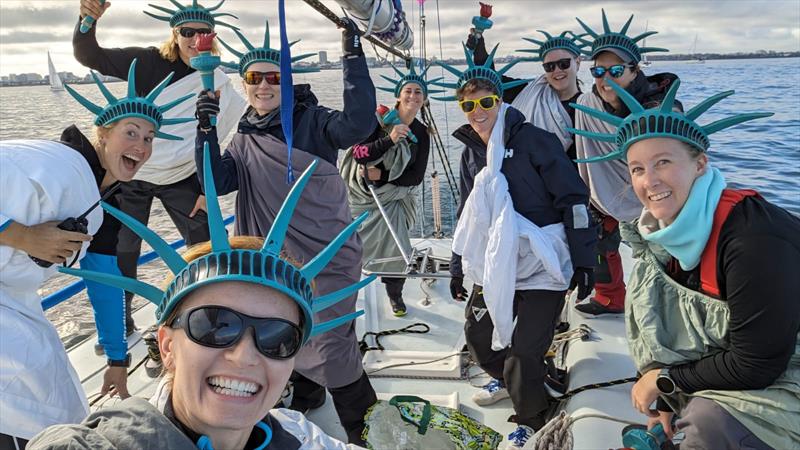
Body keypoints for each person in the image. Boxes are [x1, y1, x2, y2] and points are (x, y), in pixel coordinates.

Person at [26, 148, 372, 450]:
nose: (244, 356)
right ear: (167, 346)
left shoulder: (297, 434)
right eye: (215, 325)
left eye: (278, 338)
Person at [571, 77, 799, 449]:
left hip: (783, 367)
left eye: (663, 162)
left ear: (699, 163)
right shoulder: (659, 233)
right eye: (638, 169)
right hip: (749, 362)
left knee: (708, 422)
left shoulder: (753, 239)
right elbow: (656, 321)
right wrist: (669, 397)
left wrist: (665, 380)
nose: (650, 181)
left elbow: (758, 363)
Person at [194, 18, 379, 445]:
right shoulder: (244, 132)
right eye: (254, 78)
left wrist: (352, 53)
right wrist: (204, 128)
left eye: (273, 78)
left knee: (333, 351)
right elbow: (215, 182)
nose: (263, 86)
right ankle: (307, 395)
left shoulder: (312, 120)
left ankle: (367, 431)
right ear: (243, 84)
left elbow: (360, 125)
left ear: (289, 81)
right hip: (274, 260)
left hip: (326, 260)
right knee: (280, 328)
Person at [0, 61, 193, 449]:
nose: (141, 145)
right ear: (101, 135)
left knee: (54, 395)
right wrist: (20, 235)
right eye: (131, 132)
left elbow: (105, 283)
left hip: (12, 302)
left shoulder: (99, 204)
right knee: (38, 399)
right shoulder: (60, 166)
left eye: (150, 138)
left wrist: (118, 362)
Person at [432, 47, 597, 448]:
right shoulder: (472, 150)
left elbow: (574, 200)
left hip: (542, 260)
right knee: (477, 335)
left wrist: (585, 261)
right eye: (468, 104)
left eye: (486, 101)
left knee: (524, 352)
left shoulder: (536, 141)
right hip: (495, 260)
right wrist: (457, 264)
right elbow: (469, 213)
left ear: (501, 101)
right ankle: (517, 379)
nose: (477, 110)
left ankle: (531, 415)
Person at [74, 0, 246, 335]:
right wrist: (86, 20)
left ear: (213, 36)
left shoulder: (217, 79)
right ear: (175, 34)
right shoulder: (148, 61)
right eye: (187, 32)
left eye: (203, 32)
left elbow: (225, 135)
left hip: (184, 174)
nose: (195, 39)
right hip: (132, 171)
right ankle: (120, 323)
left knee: (207, 244)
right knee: (120, 250)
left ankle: (212, 316)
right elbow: (89, 55)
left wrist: (207, 188)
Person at [570, 10, 673, 316]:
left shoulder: (659, 103)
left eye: (615, 71)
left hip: (658, 200)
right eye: (598, 72)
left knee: (665, 262)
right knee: (608, 245)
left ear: (634, 70)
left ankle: (667, 314)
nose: (606, 79)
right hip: (609, 197)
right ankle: (611, 298)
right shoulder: (589, 103)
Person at [340, 64, 438, 316]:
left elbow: (416, 176)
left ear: (424, 99)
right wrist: (390, 139)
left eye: (419, 92)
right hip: (362, 195)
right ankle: (343, 297)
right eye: (408, 91)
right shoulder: (377, 120)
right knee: (348, 248)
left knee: (399, 250)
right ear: (398, 95)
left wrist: (381, 175)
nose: (413, 96)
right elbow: (358, 153)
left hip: (393, 198)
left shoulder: (421, 134)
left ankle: (395, 296)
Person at [467, 26, 585, 159]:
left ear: (578, 62)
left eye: (564, 64)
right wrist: (479, 47)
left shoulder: (589, 107)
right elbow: (491, 80)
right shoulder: (529, 93)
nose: (557, 70)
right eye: (549, 66)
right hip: (527, 175)